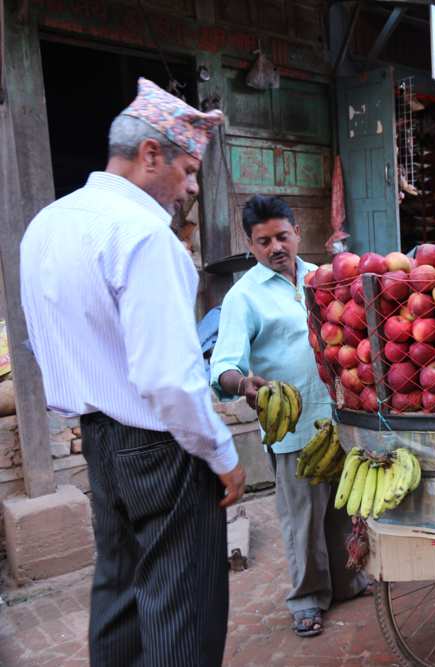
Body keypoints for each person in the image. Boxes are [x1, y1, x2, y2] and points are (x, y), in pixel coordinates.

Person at [19, 78, 245, 666]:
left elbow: (43, 341)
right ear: (151, 155)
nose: (191, 188)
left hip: (101, 442)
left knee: (118, 594)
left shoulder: (47, 223)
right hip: (161, 448)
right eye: (190, 170)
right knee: (182, 611)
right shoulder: (144, 235)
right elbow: (169, 378)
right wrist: (223, 456)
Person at [210, 195, 368, 638]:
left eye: (282, 236)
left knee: (342, 510)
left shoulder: (323, 279)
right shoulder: (244, 297)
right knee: (302, 520)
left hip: (338, 415)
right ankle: (306, 598)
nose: (276, 246)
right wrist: (242, 385)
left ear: (297, 232)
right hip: (294, 426)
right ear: (251, 245)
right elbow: (223, 364)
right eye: (264, 241)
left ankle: (350, 582)